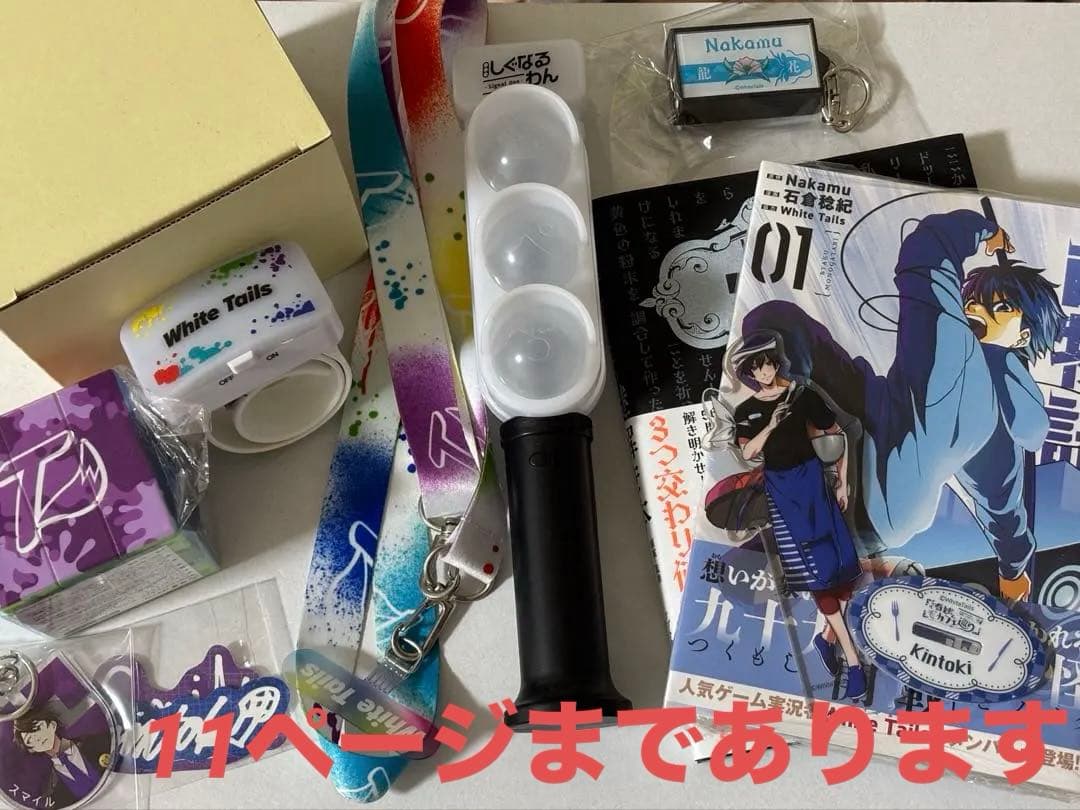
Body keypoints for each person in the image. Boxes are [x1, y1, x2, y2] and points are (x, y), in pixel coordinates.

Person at [742, 208, 1066, 602]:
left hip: (882, 491)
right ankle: (785, 426)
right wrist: (1014, 565)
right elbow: (1001, 500)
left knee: (778, 322)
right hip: (876, 421)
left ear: (1023, 337)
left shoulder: (962, 354)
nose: (977, 311)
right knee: (778, 323)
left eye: (1000, 309)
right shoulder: (987, 405)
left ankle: (777, 540)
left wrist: (982, 231)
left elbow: (926, 254)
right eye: (974, 301)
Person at [729, 332, 868, 700]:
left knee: (844, 571)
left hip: (813, 482)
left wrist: (843, 482)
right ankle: (854, 663)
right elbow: (749, 454)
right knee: (818, 575)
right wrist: (772, 423)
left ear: (777, 362)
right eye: (756, 368)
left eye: (768, 364)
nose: (764, 372)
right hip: (781, 491)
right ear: (748, 373)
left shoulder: (802, 395)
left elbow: (839, 433)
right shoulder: (746, 412)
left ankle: (827, 640)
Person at [12, 710, 112, 808]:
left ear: (52, 725)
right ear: (31, 749)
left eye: (38, 728)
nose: (37, 738)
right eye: (29, 740)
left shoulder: (98, 741)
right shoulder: (51, 789)